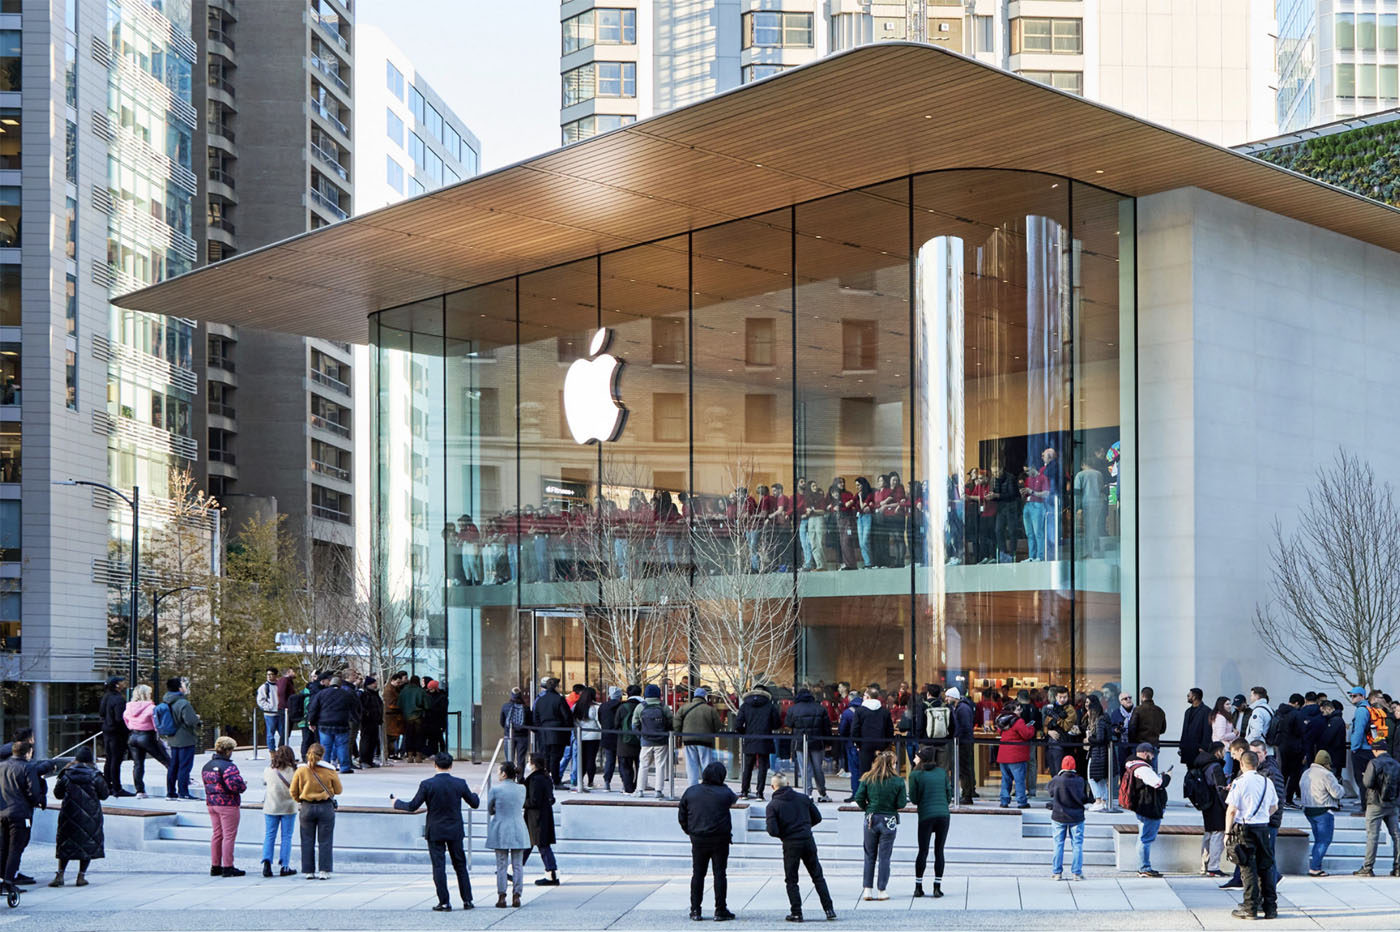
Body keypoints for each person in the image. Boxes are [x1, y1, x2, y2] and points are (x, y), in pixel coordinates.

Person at [392, 751, 480, 910]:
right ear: (451, 765)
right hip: (454, 829)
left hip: (436, 829)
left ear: (435, 765)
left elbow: (412, 806)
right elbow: (474, 803)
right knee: (460, 864)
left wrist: (396, 803)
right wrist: (475, 793)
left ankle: (444, 901)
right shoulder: (460, 783)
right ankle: (467, 900)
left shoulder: (427, 784)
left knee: (439, 866)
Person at [765, 772, 836, 922]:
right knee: (817, 876)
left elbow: (772, 830)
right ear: (788, 784)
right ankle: (829, 909)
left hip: (790, 843)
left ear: (773, 787)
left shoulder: (773, 806)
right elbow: (817, 818)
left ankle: (796, 912)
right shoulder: (803, 799)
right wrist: (804, 827)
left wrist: (785, 834)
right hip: (807, 840)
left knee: (791, 879)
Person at [678, 761, 738, 921]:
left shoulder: (691, 792)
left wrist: (689, 831)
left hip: (698, 838)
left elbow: (682, 816)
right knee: (719, 874)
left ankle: (695, 910)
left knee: (698, 874)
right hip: (720, 838)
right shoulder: (725, 792)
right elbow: (734, 800)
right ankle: (720, 910)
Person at [1226, 750, 1279, 921]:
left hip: (1245, 829)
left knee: (1248, 869)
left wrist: (1227, 832)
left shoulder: (1239, 782)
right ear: (1256, 764)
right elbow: (1275, 807)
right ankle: (1270, 907)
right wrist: (1263, 816)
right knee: (1266, 867)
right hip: (1263, 828)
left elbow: (1232, 810)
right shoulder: (1267, 782)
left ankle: (1250, 907)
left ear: (1242, 764)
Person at [48, 746, 109, 888]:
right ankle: (81, 876)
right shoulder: (95, 775)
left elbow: (58, 794)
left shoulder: (66, 774)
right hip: (90, 815)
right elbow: (104, 794)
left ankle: (60, 874)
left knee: (65, 843)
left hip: (69, 813)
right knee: (87, 843)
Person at [854, 749, 906, 901]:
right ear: (892, 764)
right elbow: (902, 803)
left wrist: (868, 808)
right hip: (889, 819)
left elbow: (859, 798)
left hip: (871, 817)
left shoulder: (867, 778)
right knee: (885, 857)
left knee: (869, 855)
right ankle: (882, 890)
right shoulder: (898, 781)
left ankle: (867, 890)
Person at [289, 743, 342, 880]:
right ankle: (324, 870)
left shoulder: (301, 770)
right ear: (322, 755)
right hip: (325, 807)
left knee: (306, 839)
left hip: (307, 806)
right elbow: (338, 790)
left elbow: (293, 791)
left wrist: (300, 800)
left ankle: (308, 871)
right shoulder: (329, 770)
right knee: (325, 840)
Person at [907, 745, 952, 897]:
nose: (914, 758)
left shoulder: (915, 774)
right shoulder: (941, 772)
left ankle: (918, 886)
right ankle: (937, 887)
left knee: (923, 851)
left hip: (926, 815)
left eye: (916, 756)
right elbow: (948, 794)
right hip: (943, 815)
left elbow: (913, 799)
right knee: (939, 851)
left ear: (922, 759)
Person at [201, 736, 248, 877]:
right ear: (228, 750)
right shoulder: (229, 767)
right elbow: (236, 786)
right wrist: (243, 785)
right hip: (228, 804)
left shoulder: (207, 766)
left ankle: (215, 866)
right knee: (229, 836)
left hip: (212, 803)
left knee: (217, 834)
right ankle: (228, 866)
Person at [0, 740, 43, 893]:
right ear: (27, 753)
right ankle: (9, 881)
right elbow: (34, 793)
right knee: (16, 848)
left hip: (2, 813)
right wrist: (38, 801)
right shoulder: (28, 767)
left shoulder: (2, 766)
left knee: (3, 847)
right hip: (20, 813)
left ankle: (2, 879)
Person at [1124, 742, 1171, 877]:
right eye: (1152, 754)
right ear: (1145, 753)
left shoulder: (1132, 765)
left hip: (1142, 806)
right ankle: (1144, 867)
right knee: (1145, 839)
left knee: (1142, 837)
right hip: (1148, 807)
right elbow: (1158, 783)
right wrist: (1167, 776)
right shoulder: (1143, 769)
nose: (1153, 757)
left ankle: (1143, 866)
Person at [1355, 743, 1400, 877]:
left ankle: (1368, 868)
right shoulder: (1396, 764)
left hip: (1375, 804)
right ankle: (1398, 868)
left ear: (1375, 750)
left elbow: (1367, 783)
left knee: (1372, 836)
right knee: (1396, 835)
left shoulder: (1374, 763)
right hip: (1392, 805)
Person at [487, 761, 528, 909]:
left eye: (499, 772)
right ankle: (517, 895)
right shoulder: (522, 788)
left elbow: (490, 809)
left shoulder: (496, 790)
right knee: (518, 865)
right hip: (518, 827)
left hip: (500, 827)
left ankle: (501, 896)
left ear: (504, 774)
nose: (498, 774)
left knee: (501, 864)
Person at [1047, 753, 1092, 881]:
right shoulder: (1079, 781)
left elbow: (1051, 793)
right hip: (1077, 816)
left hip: (1059, 815)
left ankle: (1057, 873)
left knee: (1058, 844)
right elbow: (1084, 798)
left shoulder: (1056, 779)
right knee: (1077, 845)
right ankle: (1076, 873)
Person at [123, 683, 169, 799]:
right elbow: (156, 725)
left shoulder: (129, 707)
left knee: (138, 764)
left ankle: (140, 791)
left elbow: (127, 721)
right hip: (147, 736)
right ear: (146, 694)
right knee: (166, 760)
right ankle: (178, 784)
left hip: (133, 736)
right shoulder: (151, 708)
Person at [1189, 741, 1229, 877]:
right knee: (1218, 834)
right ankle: (1214, 867)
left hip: (1206, 803)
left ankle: (1204, 865)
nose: (1225, 753)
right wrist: (1227, 805)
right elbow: (1219, 789)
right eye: (1224, 751)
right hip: (1216, 804)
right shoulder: (1215, 766)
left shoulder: (1203, 763)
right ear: (1218, 752)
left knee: (1209, 833)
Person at [1300, 749, 1342, 876]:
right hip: (1323, 810)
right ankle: (1315, 868)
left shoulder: (1306, 773)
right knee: (1324, 840)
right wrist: (1341, 787)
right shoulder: (1327, 775)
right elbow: (1337, 793)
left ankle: (1315, 865)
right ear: (1327, 763)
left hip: (1309, 810)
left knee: (1319, 840)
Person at [785, 688, 831, 801]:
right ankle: (822, 792)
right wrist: (828, 743)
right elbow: (826, 727)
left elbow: (788, 724)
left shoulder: (793, 709)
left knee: (805, 768)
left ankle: (807, 793)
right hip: (817, 742)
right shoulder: (820, 709)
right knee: (818, 768)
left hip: (800, 742)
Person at [307, 673, 357, 775]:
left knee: (325, 746)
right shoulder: (346, 694)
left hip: (325, 723)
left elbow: (313, 708)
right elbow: (354, 708)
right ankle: (345, 767)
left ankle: (324, 766)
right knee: (342, 745)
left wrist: (311, 721)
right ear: (340, 684)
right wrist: (354, 719)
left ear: (330, 683)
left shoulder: (321, 693)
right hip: (342, 723)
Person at [736, 684, 780, 800]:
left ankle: (744, 791)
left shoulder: (745, 705)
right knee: (762, 767)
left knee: (748, 767)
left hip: (750, 738)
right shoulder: (770, 706)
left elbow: (738, 724)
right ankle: (759, 793)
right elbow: (776, 724)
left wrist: (745, 732)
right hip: (765, 738)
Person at [522, 755, 561, 886]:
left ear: (533, 764)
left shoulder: (535, 780)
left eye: (529, 761)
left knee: (541, 845)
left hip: (536, 818)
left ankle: (552, 873)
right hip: (542, 816)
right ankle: (514, 870)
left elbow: (534, 800)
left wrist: (521, 802)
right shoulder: (545, 777)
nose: (528, 764)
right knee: (531, 844)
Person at [632, 684, 675, 798]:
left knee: (643, 765)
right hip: (661, 741)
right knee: (660, 765)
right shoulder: (663, 707)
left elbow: (634, 725)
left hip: (646, 741)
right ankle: (658, 791)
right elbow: (671, 723)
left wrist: (640, 737)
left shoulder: (640, 707)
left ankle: (640, 789)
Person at [161, 677, 201, 800]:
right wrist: (197, 718)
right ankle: (183, 792)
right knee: (184, 766)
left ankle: (171, 792)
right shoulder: (183, 703)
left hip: (172, 738)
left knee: (174, 766)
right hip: (185, 738)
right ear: (179, 688)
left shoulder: (166, 702)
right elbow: (190, 721)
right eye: (183, 685)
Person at [261, 745, 298, 878]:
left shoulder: (268, 770)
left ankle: (267, 863)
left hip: (271, 806)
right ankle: (285, 866)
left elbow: (265, 783)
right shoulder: (295, 771)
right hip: (289, 807)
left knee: (269, 835)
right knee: (286, 836)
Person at [677, 687, 722, 789]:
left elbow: (677, 722)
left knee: (691, 765)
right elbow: (718, 726)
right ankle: (707, 786)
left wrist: (680, 734)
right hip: (705, 740)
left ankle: (692, 787)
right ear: (704, 697)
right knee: (706, 764)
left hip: (689, 740)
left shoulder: (684, 708)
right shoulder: (710, 710)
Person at [533, 678, 571, 786]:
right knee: (556, 758)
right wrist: (567, 729)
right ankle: (556, 780)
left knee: (545, 757)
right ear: (556, 687)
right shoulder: (559, 700)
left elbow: (536, 717)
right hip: (558, 732)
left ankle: (545, 778)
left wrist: (540, 729)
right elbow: (567, 716)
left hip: (544, 732)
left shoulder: (540, 700)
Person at [98, 675, 131, 796]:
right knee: (116, 760)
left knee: (110, 759)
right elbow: (119, 718)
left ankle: (108, 785)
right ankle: (117, 787)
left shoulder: (106, 697)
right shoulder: (119, 700)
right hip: (117, 733)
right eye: (121, 682)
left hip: (107, 731)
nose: (123, 684)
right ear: (116, 685)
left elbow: (102, 713)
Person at [997, 703, 1035, 808]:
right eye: (1018, 710)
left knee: (1006, 779)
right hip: (1016, 756)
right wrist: (1031, 728)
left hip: (1003, 756)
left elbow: (1000, 731)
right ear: (1012, 711)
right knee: (1019, 780)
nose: (1020, 711)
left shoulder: (1002, 720)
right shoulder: (1018, 721)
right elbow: (1026, 734)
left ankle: (1004, 801)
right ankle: (1021, 801)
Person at [1348, 687, 1377, 814]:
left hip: (1361, 750)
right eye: (1351, 696)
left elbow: (1358, 731)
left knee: (1362, 780)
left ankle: (1365, 807)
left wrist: (1354, 748)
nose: (1352, 698)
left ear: (1362, 696)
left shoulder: (1361, 711)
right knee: (1370, 779)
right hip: (1370, 749)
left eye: (1355, 696)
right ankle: (1370, 806)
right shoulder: (1369, 709)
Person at [855, 685, 894, 779]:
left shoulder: (860, 711)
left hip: (864, 745)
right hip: (881, 745)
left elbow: (855, 729)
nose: (862, 698)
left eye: (864, 696)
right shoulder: (885, 712)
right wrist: (886, 744)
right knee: (881, 771)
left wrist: (857, 743)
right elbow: (890, 729)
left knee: (865, 772)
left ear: (868, 697)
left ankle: (866, 791)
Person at [1273, 694, 1305, 807]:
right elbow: (1301, 731)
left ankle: (1278, 798)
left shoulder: (1278, 711)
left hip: (1280, 746)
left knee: (1282, 773)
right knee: (1294, 774)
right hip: (1294, 748)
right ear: (1297, 703)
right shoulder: (1297, 714)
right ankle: (1288, 799)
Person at [948, 687, 976, 805]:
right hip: (963, 741)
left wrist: (956, 737)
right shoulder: (960, 707)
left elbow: (964, 727)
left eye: (948, 697)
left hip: (963, 742)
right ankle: (967, 793)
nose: (947, 699)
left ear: (954, 697)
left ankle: (967, 794)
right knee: (964, 769)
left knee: (965, 769)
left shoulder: (962, 709)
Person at [1085, 695, 1112, 808]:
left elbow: (1100, 739)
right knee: (1100, 779)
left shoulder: (1099, 721)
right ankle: (1104, 801)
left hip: (1098, 753)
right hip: (1102, 753)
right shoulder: (1104, 719)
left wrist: (1089, 738)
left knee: (1092, 778)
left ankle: (1098, 800)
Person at [1127, 687, 1166, 765]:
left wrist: (1131, 742)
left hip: (1140, 746)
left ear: (1142, 695)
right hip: (1154, 744)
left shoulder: (1138, 710)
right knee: (1153, 771)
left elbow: (1132, 728)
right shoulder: (1160, 711)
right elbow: (1163, 729)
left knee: (1140, 769)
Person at [615, 685, 643, 794]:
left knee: (625, 766)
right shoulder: (642, 706)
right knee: (640, 766)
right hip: (640, 741)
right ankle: (638, 787)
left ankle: (628, 788)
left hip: (624, 742)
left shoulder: (622, 707)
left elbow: (616, 724)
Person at [574, 686, 602, 790]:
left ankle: (580, 780)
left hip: (581, 735)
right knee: (591, 758)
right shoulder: (595, 707)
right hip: (594, 735)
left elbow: (574, 722)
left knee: (582, 759)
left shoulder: (576, 706)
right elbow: (599, 722)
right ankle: (590, 781)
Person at [1179, 688, 1211, 775]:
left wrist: (1203, 747)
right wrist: (1182, 746)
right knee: (1190, 773)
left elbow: (1207, 730)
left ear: (1194, 697)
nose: (1187, 697)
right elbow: (1184, 730)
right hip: (1188, 748)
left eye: (1189, 695)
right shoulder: (1188, 711)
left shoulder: (1206, 711)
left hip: (1198, 749)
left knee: (1199, 773)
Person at [838, 694, 863, 802]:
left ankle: (856, 793)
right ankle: (865, 793)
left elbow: (842, 730)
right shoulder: (865, 710)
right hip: (865, 744)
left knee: (855, 770)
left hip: (851, 743)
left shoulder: (847, 713)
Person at [399, 675, 428, 763]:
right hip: (418, 716)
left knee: (409, 736)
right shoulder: (421, 691)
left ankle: (410, 756)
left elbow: (399, 704)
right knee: (419, 736)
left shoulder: (404, 691)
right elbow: (427, 705)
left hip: (407, 716)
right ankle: (418, 755)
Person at [357, 676, 383, 768]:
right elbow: (361, 707)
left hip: (374, 720)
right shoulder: (365, 694)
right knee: (366, 740)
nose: (376, 684)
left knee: (373, 741)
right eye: (374, 683)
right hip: (367, 721)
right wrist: (367, 714)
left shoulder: (374, 694)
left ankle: (369, 760)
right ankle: (364, 760)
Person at [1210, 696, 1240, 776]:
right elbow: (1221, 735)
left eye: (1230, 704)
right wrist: (1235, 734)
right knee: (1226, 773)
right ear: (1221, 705)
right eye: (1227, 704)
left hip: (1222, 748)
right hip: (1224, 749)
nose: (1230, 706)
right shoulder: (1221, 718)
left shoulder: (1220, 716)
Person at [256, 667, 283, 752]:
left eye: (271, 674)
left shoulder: (280, 685)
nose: (269, 676)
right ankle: (272, 753)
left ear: (275, 675)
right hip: (270, 714)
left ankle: (282, 752)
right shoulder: (264, 687)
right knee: (270, 735)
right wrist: (269, 707)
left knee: (283, 734)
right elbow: (260, 700)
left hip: (280, 713)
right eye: (268, 674)